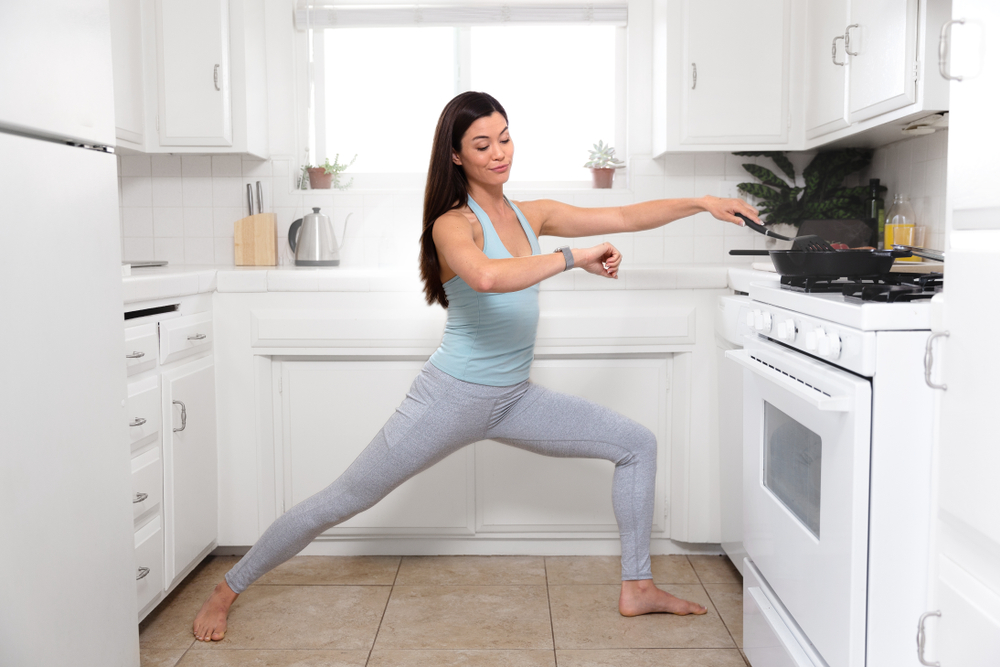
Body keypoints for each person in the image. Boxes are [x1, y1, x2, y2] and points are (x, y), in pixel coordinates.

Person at [192, 91, 760, 642]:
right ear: (457, 155)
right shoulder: (451, 223)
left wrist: (701, 204)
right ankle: (228, 588)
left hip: (514, 399)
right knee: (344, 499)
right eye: (483, 143)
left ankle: (637, 585)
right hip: (450, 398)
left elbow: (622, 214)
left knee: (637, 444)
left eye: (506, 138)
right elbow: (486, 276)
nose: (500, 152)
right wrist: (573, 256)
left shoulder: (529, 213)